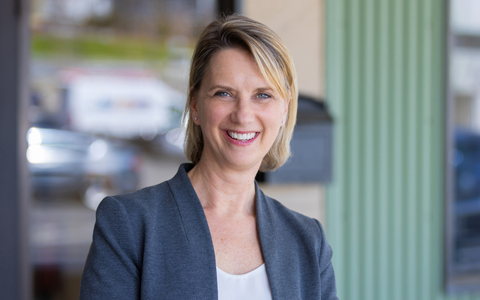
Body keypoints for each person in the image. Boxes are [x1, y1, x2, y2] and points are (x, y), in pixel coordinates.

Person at [80, 14, 337, 300]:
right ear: (195, 105)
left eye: (263, 95)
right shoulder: (129, 224)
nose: (243, 115)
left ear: (285, 111)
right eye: (224, 93)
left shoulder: (307, 241)